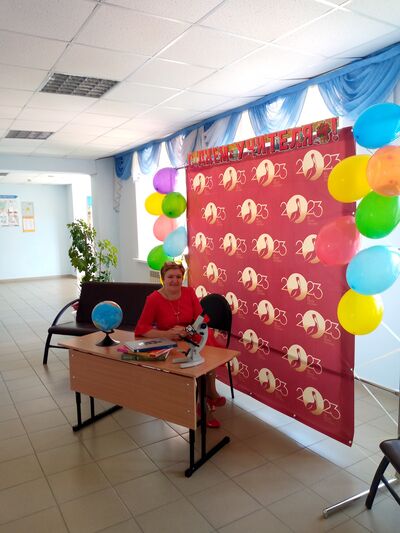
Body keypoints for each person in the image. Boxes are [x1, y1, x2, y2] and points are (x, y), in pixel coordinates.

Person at [135, 261, 225, 427]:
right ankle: (207, 398)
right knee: (197, 363)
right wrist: (166, 334)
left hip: (191, 335)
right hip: (169, 342)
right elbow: (142, 329)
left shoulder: (189, 292)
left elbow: (202, 319)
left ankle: (206, 398)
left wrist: (187, 331)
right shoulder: (153, 299)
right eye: (170, 277)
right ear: (163, 278)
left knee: (205, 356)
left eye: (178, 276)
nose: (175, 280)